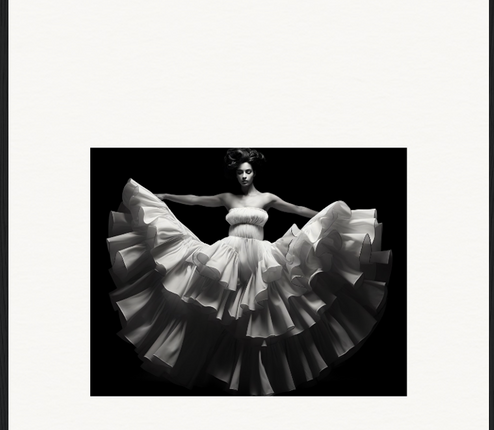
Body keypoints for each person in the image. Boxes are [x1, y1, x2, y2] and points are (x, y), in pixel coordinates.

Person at [105, 148, 392, 395]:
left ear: (255, 172)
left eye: (248, 172)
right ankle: (222, 370)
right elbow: (195, 199)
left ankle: (254, 377)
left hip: (260, 256)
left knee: (258, 314)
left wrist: (323, 216)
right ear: (235, 173)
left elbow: (295, 208)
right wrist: (166, 195)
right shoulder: (228, 198)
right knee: (223, 310)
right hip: (228, 255)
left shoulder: (266, 197)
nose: (244, 176)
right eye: (240, 172)